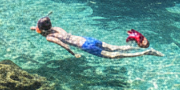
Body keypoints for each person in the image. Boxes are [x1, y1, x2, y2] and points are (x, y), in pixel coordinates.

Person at [33, 16, 163, 58]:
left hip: (85, 46)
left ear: (41, 30)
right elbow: (50, 32)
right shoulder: (57, 28)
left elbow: (63, 44)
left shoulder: (48, 38)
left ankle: (145, 52)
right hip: (88, 39)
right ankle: (135, 47)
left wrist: (73, 54)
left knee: (113, 56)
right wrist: (36, 28)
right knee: (114, 47)